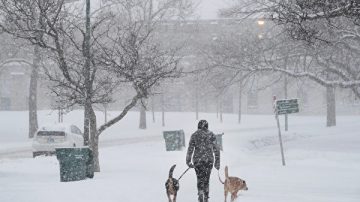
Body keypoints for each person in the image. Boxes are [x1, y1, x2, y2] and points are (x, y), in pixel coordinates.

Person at [186, 120, 220, 202]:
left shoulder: (194, 135)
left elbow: (190, 149)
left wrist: (188, 161)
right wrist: (217, 162)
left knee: (199, 178)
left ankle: (200, 193)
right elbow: (216, 149)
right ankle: (206, 196)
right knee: (206, 179)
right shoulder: (211, 135)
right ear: (207, 126)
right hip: (209, 160)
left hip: (198, 161)